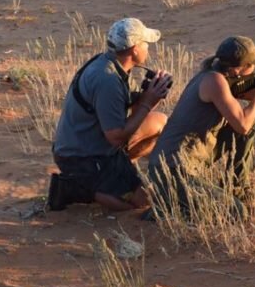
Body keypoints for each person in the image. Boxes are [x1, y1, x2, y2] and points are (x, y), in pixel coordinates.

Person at [146, 35, 255, 218]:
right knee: (235, 212)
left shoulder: (216, 77)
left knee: (250, 130)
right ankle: (167, 210)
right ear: (238, 70)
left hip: (186, 160)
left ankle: (236, 188)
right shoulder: (215, 82)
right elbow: (242, 124)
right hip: (171, 169)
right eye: (252, 65)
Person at [47, 17, 172, 213]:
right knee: (143, 203)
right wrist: (147, 103)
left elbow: (129, 112)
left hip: (91, 143)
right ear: (135, 49)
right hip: (82, 157)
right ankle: (75, 188)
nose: (148, 48)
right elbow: (115, 137)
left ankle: (120, 172)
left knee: (160, 122)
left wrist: (148, 92)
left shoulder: (112, 65)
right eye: (145, 43)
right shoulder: (108, 80)